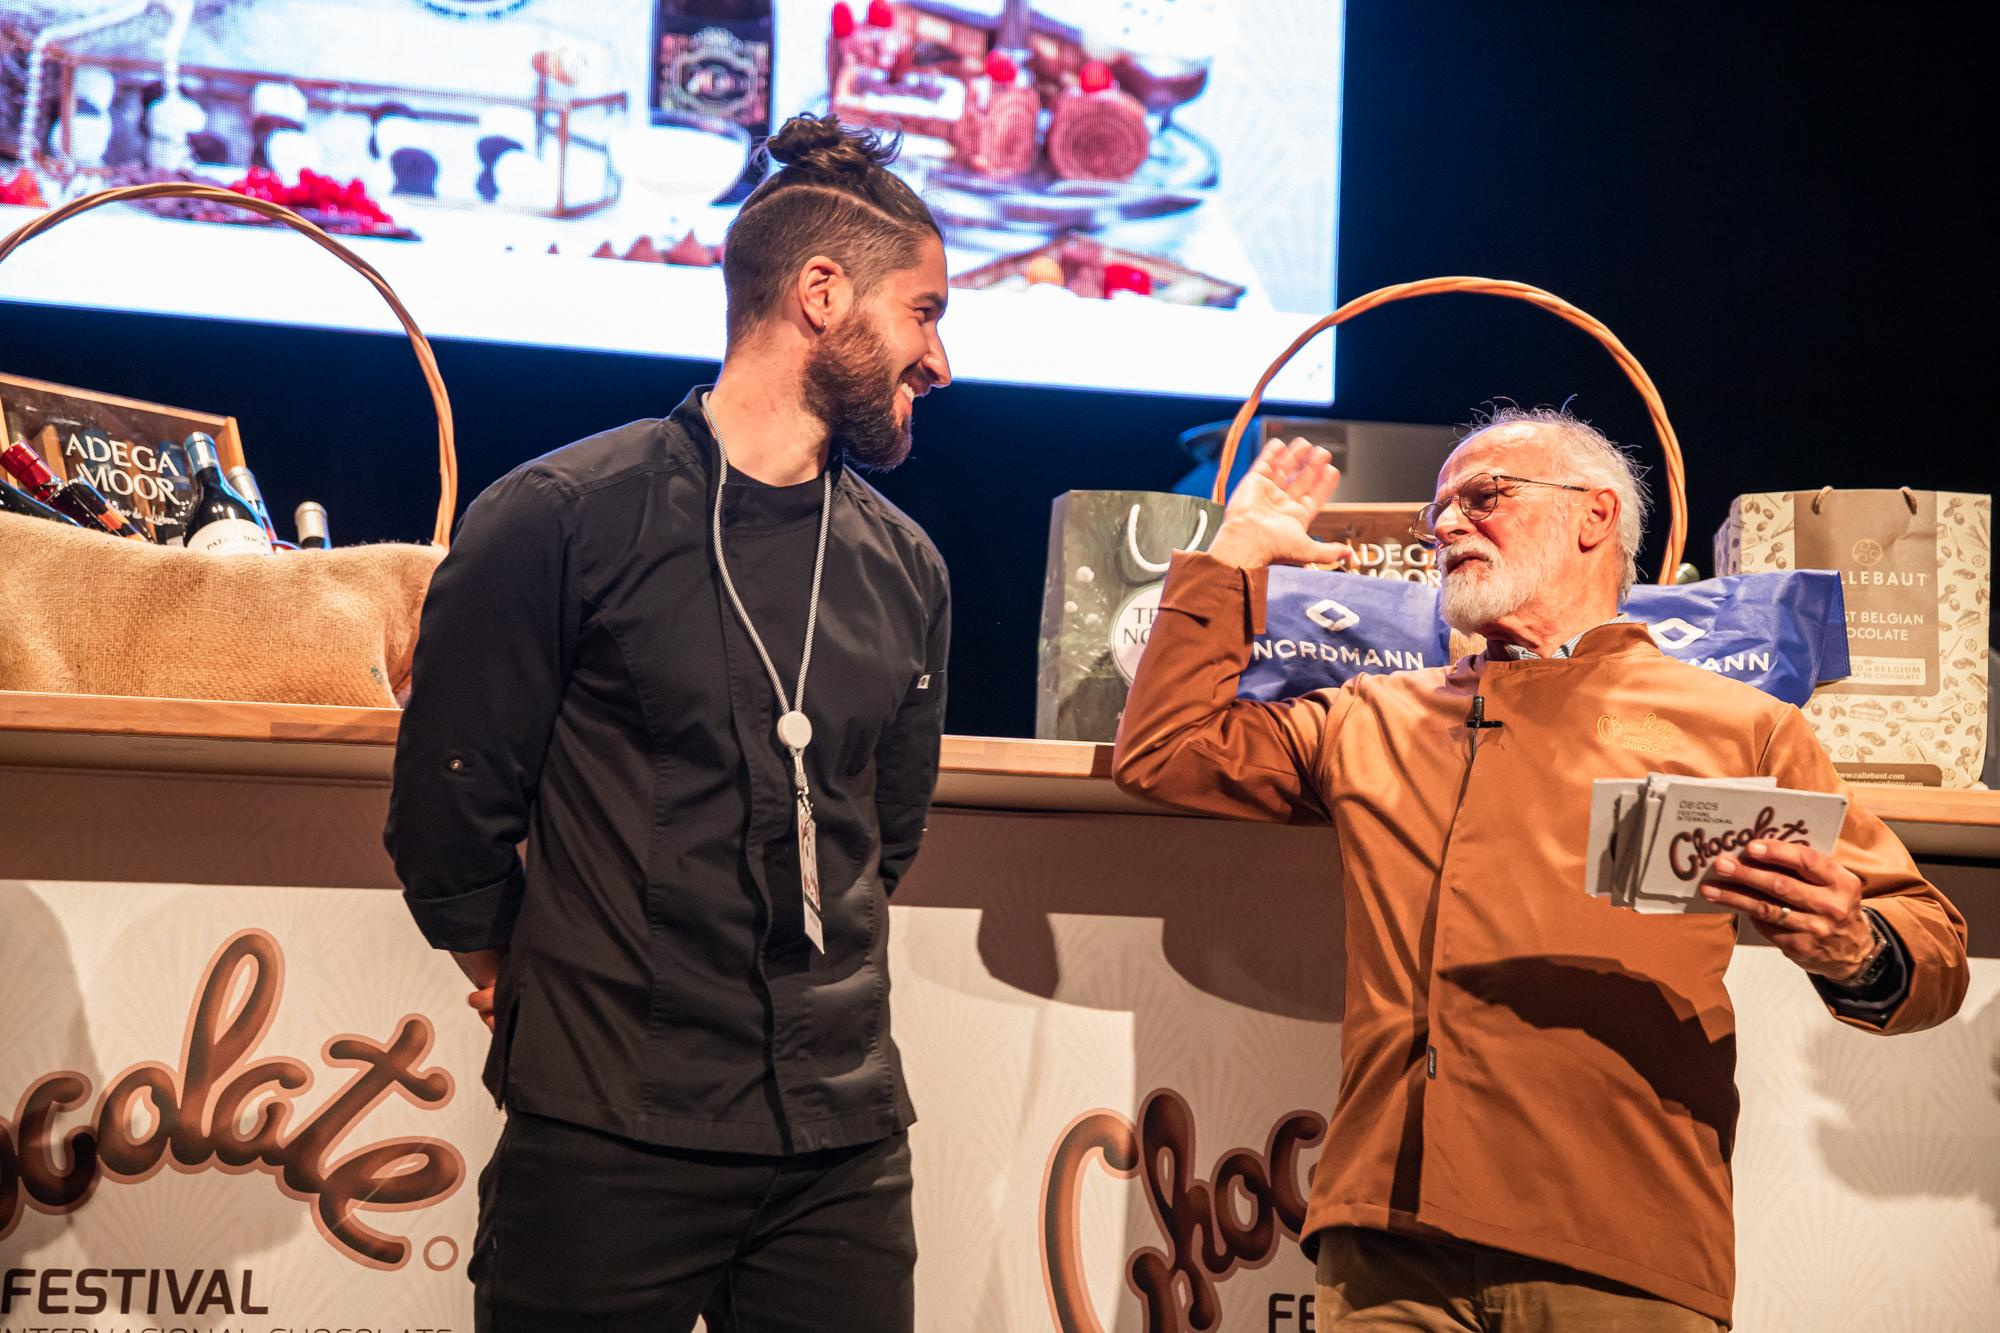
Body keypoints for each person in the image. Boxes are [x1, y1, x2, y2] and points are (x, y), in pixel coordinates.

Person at [1112, 407, 1968, 1330]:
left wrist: (1854, 944)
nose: (1444, 526)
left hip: (1621, 1239)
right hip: (1387, 1246)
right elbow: (1167, 749)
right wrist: (1234, 553)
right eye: (1436, 511)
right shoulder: (1374, 715)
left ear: (1593, 516)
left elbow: (1929, 944)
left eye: (1483, 496)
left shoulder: (1735, 723)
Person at [384, 115, 953, 1332]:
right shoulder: (560, 518)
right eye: (924, 312)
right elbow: (448, 808)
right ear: (819, 293)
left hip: (839, 1150)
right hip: (608, 1130)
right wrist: (528, 981)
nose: (939, 360)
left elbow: (879, 836)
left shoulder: (906, 569)